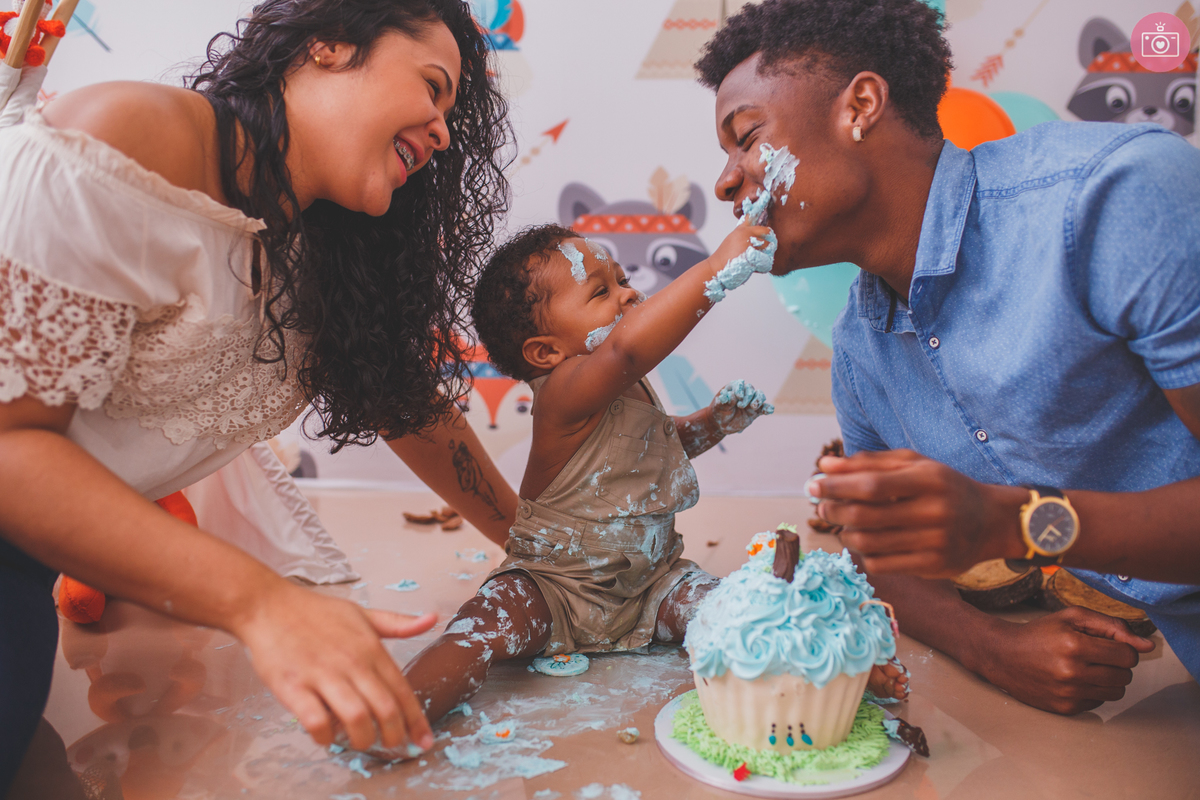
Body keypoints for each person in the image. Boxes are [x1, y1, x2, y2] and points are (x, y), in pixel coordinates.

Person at [0, 0, 518, 790]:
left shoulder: (318, 250)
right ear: (327, 44)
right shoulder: (129, 136)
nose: (444, 130)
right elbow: (8, 447)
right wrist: (262, 605)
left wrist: (535, 541)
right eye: (433, 86)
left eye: (455, 113)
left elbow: (402, 401)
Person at [695, 0, 1200, 715]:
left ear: (861, 105)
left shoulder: (1113, 199)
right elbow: (880, 554)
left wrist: (1018, 524)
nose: (725, 181)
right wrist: (993, 649)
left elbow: (1013, 525)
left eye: (745, 137)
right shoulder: (861, 349)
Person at [401, 223, 910, 724]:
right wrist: (714, 271)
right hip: (553, 583)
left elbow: (658, 446)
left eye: (623, 280)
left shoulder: (628, 387)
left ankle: (848, 671)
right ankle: (400, 707)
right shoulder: (563, 393)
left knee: (732, 610)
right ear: (546, 352)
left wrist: (713, 423)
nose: (628, 295)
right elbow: (628, 348)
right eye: (602, 291)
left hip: (652, 583)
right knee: (481, 630)